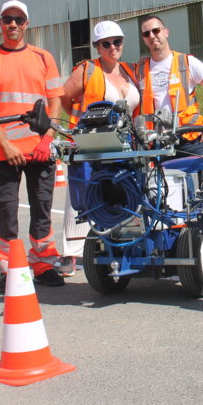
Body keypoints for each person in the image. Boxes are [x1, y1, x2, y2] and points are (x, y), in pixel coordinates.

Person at [0, 0, 65, 290]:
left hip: (40, 150)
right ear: (0, 23)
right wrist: (6, 145)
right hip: (4, 152)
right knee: (5, 212)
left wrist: (48, 138)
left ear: (27, 24)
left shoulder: (42, 57)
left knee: (42, 210)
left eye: (19, 20)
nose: (13, 24)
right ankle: (8, 269)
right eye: (8, 19)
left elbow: (55, 101)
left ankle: (44, 264)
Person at [59, 20, 141, 274]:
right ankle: (70, 253)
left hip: (127, 145)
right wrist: (81, 123)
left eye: (117, 42)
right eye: (106, 44)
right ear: (97, 46)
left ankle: (123, 242)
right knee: (85, 194)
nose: (113, 47)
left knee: (126, 194)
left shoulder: (130, 70)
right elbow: (64, 97)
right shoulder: (88, 70)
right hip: (95, 145)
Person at [136, 15, 203, 156]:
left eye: (156, 30)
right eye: (147, 34)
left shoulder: (187, 62)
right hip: (158, 142)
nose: (152, 36)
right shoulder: (140, 69)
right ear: (144, 39)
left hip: (189, 140)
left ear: (166, 32)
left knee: (199, 177)